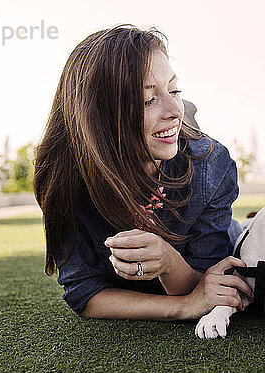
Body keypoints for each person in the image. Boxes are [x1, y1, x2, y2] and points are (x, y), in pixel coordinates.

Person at [33, 25, 253, 321]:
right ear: (100, 115)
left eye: (174, 90)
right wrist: (183, 307)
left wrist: (170, 263)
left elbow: (209, 281)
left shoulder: (211, 164)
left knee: (245, 240)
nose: (175, 109)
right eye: (148, 99)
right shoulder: (64, 177)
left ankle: (249, 225)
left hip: (229, 239)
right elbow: (84, 292)